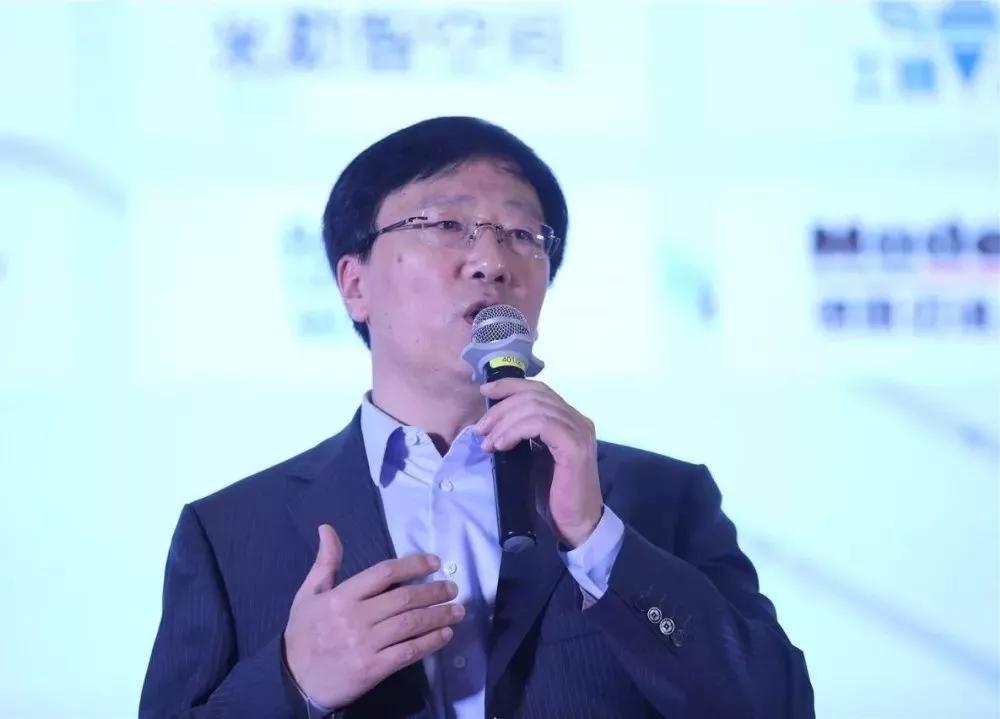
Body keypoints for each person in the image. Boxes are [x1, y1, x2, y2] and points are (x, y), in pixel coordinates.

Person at [140, 116, 814, 718]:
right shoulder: (230, 533)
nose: (492, 261)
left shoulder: (660, 498)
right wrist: (295, 683)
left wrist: (597, 542)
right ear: (355, 284)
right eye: (444, 225)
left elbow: (776, 706)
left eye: (522, 234)